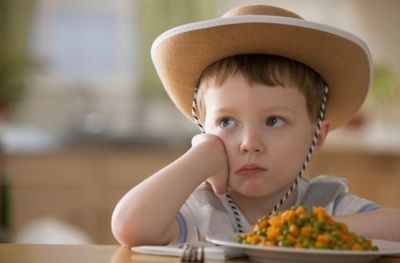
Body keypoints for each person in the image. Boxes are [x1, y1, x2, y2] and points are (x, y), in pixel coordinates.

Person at [111, 5, 400, 246]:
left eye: (274, 121)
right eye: (226, 122)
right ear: (204, 128)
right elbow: (129, 227)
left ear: (317, 135)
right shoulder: (202, 209)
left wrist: (303, 228)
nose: (249, 142)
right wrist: (202, 156)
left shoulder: (326, 203)